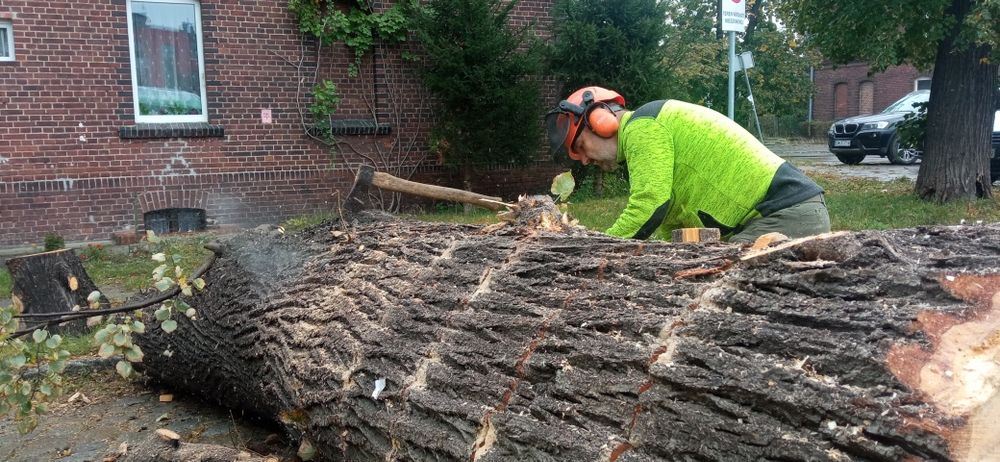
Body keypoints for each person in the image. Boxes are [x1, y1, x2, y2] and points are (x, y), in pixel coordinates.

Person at [545, 86, 831, 243]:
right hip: (782, 214)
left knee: (725, 289)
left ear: (601, 121)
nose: (584, 159)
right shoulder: (648, 135)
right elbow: (670, 218)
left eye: (580, 146)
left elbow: (649, 205)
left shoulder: (644, 128)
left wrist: (597, 249)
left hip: (786, 213)